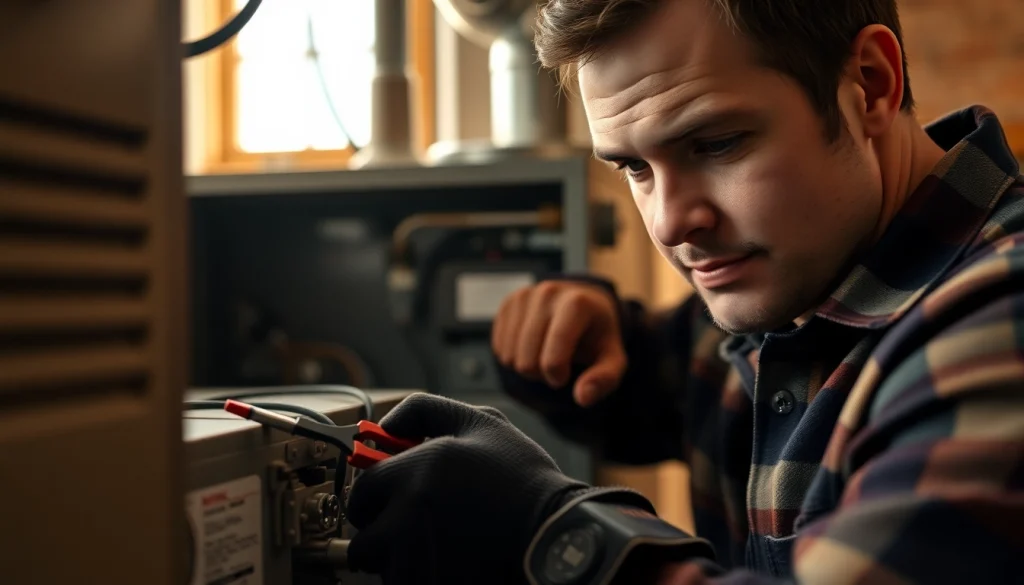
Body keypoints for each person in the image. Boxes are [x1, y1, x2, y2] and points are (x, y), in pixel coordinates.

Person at [344, 0, 1024, 583]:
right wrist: (598, 343)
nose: (670, 221)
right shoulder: (807, 275)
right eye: (635, 166)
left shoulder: (999, 321)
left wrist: (554, 539)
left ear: (870, 86)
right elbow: (689, 380)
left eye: (717, 143)